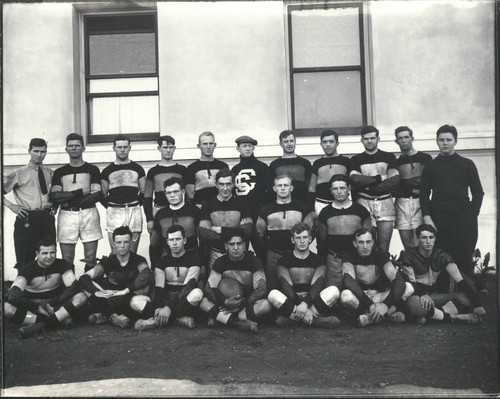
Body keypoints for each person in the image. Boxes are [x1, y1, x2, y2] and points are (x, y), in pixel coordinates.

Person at [420, 124, 483, 282]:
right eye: (441, 140)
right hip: (439, 218)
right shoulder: (430, 166)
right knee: (440, 260)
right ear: (437, 142)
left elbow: (478, 192)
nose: (445, 143)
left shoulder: (467, 164)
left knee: (464, 260)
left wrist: (471, 213)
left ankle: (468, 301)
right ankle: (443, 302)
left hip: (463, 218)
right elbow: (424, 194)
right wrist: (427, 217)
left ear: (456, 141)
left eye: (449, 139)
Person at [400, 224, 486, 324]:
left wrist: (477, 304)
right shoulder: (408, 256)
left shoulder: (442, 256)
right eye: (424, 238)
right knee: (416, 305)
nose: (428, 241)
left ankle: (430, 316)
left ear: (435, 238)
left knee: (466, 299)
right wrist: (422, 294)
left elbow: (461, 281)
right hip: (415, 295)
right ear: (418, 238)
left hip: (433, 296)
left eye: (431, 237)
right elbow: (410, 283)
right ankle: (454, 317)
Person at [5, 239, 87, 338]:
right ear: (37, 254)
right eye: (45, 253)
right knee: (5, 308)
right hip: (33, 311)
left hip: (55, 306)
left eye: (52, 252)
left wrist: (52, 303)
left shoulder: (62, 264)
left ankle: (41, 325)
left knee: (81, 296)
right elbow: (13, 296)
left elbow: (73, 287)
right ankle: (57, 321)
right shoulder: (27, 269)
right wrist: (36, 308)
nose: (49, 257)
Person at [78, 226, 154, 329]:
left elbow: (147, 275)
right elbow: (84, 277)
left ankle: (108, 315)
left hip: (130, 299)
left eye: (126, 242)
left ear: (131, 242)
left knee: (137, 300)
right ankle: (113, 316)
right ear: (113, 244)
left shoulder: (139, 260)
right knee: (87, 288)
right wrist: (97, 292)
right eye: (118, 242)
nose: (122, 246)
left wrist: (125, 291)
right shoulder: (108, 261)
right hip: (112, 300)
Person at [267, 223, 341, 329]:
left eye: (305, 237)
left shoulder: (319, 260)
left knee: (334, 291)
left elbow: (317, 286)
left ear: (310, 239)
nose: (302, 241)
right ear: (293, 240)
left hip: (312, 302)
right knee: (272, 294)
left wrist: (305, 305)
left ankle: (294, 319)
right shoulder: (283, 260)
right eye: (298, 238)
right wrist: (300, 305)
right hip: (293, 303)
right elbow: (286, 286)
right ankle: (314, 320)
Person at [199, 227, 272, 333]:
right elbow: (209, 287)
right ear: (226, 246)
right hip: (225, 303)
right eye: (231, 244)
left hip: (245, 305)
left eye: (239, 244)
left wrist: (240, 305)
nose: (236, 247)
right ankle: (237, 323)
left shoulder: (254, 262)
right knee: (203, 302)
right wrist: (224, 302)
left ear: (244, 245)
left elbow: (261, 289)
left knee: (266, 305)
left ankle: (222, 319)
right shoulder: (220, 262)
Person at [50, 133, 102, 273]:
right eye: (71, 146)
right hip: (67, 215)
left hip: (88, 213)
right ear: (66, 149)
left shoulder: (92, 169)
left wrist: (73, 201)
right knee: (67, 258)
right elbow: (55, 196)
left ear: (83, 148)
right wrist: (80, 192)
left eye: (77, 145)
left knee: (91, 257)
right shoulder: (60, 172)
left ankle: (88, 288)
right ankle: (70, 288)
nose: (74, 148)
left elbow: (96, 194)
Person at [134, 225, 204, 331]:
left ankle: (155, 321)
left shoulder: (194, 260)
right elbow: (159, 288)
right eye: (171, 240)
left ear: (184, 240)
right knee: (135, 301)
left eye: (178, 239)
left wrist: (168, 308)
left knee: (197, 293)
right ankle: (176, 319)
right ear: (167, 242)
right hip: (165, 300)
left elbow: (187, 289)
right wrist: (158, 307)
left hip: (183, 301)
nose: (174, 243)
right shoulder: (162, 262)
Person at [340, 228, 413, 327]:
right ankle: (385, 316)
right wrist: (370, 305)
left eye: (368, 242)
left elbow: (398, 281)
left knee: (409, 287)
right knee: (345, 296)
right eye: (361, 242)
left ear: (373, 242)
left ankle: (370, 317)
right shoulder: (348, 256)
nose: (365, 246)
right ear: (354, 243)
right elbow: (349, 282)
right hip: (360, 297)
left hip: (379, 296)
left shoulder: (380, 256)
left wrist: (385, 304)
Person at [3, 138, 56, 270]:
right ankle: (24, 288)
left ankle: (47, 288)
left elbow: (57, 194)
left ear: (46, 152)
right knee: (25, 258)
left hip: (46, 218)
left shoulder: (50, 172)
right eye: (36, 151)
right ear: (29, 151)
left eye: (43, 151)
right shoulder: (19, 173)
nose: (39, 155)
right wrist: (12, 206)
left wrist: (55, 206)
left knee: (48, 256)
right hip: (27, 218)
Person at [255, 175, 314, 291]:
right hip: (273, 255)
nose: (282, 188)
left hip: (295, 255)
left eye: (286, 185)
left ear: (291, 188)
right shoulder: (266, 209)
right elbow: (259, 233)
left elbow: (310, 231)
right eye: (279, 185)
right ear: (274, 188)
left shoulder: (302, 207)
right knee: (273, 288)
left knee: (294, 288)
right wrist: (270, 248)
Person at [350, 126, 400, 253]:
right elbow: (356, 180)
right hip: (364, 202)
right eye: (366, 139)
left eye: (372, 138)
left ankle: (383, 272)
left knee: (383, 247)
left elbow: (394, 181)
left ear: (378, 139)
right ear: (362, 140)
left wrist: (367, 183)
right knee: (367, 244)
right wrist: (380, 178)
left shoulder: (389, 157)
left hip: (385, 202)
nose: (370, 141)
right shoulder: (356, 159)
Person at [317, 175, 371, 290]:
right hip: (334, 260)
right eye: (335, 189)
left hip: (356, 260)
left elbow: (369, 236)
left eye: (342, 188)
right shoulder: (325, 212)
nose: (339, 191)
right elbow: (322, 239)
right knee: (332, 292)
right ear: (331, 191)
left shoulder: (360, 210)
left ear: (349, 189)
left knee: (355, 291)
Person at [198, 169, 253, 270]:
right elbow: (203, 232)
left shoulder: (242, 203)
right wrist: (235, 233)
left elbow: (248, 230)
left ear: (233, 184)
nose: (225, 188)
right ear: (216, 185)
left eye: (228, 184)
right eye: (221, 184)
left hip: (239, 253)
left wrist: (220, 230)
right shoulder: (208, 205)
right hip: (216, 252)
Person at [101, 135, 146, 254]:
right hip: (115, 212)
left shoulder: (138, 168)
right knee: (117, 250)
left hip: (134, 211)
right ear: (114, 148)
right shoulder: (107, 171)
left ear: (129, 148)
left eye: (125, 147)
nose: (122, 150)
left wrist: (135, 205)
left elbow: (143, 192)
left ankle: (132, 272)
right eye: (119, 147)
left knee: (132, 250)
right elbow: (103, 195)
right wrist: (113, 206)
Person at [231, 135, 273, 259]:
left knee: (262, 250)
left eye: (250, 146)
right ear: (238, 148)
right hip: (241, 216)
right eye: (244, 146)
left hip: (258, 214)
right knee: (240, 250)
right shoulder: (235, 169)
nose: (248, 149)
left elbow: (270, 192)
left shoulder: (262, 168)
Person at [393, 126, 432, 249]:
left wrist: (407, 184)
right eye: (400, 138)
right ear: (396, 141)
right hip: (401, 203)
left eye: (406, 137)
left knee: (421, 241)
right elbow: (395, 188)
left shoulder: (425, 158)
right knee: (408, 245)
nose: (403, 140)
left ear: (412, 138)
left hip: (419, 202)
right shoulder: (395, 162)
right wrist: (413, 184)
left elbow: (427, 184)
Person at [149, 177, 200, 268]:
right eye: (169, 193)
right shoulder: (160, 214)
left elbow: (203, 240)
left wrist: (202, 263)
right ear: (165, 194)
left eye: (176, 191)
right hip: (167, 260)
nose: (172, 195)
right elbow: (154, 244)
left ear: (183, 191)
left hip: (191, 259)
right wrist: (154, 266)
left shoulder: (194, 211)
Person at [144, 135, 188, 235]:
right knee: (158, 241)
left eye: (171, 147)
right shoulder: (153, 171)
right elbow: (147, 197)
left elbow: (188, 194)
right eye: (165, 147)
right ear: (159, 149)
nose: (168, 150)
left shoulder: (182, 170)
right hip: (159, 210)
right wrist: (149, 219)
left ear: (174, 148)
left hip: (179, 210)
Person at [308, 130, 351, 215]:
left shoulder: (346, 161)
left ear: (337, 143)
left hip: (342, 203)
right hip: (321, 203)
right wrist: (311, 210)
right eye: (325, 142)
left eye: (331, 141)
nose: (328, 145)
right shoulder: (317, 163)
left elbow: (352, 186)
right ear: (321, 144)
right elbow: (312, 188)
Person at [186, 131, 229, 208]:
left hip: (220, 206)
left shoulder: (223, 166)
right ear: (199, 146)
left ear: (215, 145)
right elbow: (190, 194)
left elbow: (227, 189)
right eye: (205, 144)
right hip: (200, 207)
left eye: (211, 143)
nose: (208, 147)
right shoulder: (192, 168)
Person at [269, 130, 312, 205]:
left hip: (303, 203)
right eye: (286, 142)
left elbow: (310, 187)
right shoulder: (274, 165)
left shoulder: (305, 163)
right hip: (281, 204)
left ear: (295, 142)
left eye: (291, 141)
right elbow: (271, 188)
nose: (289, 144)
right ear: (281, 144)